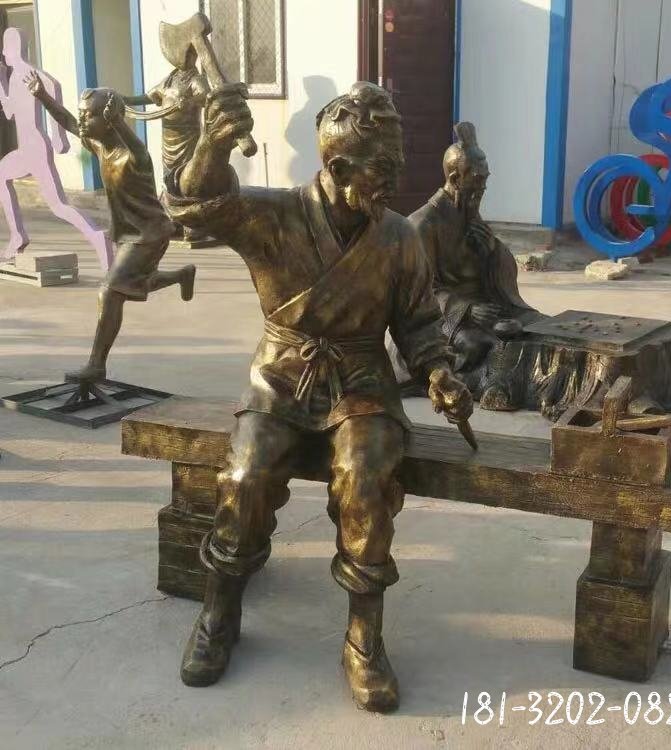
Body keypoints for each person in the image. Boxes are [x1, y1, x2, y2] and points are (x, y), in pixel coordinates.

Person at [164, 81, 473, 713]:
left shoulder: (399, 238)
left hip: (361, 381)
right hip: (281, 374)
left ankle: (364, 637)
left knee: (365, 475)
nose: (393, 182)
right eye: (381, 170)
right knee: (246, 475)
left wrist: (438, 370)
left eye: (397, 166)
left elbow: (418, 324)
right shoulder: (275, 216)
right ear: (337, 166)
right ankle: (220, 613)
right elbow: (196, 204)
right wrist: (212, 145)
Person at [26, 73, 196, 381]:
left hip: (149, 234)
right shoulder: (99, 146)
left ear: (109, 119)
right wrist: (43, 96)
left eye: (89, 115)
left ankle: (96, 365)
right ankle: (182, 275)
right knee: (134, 281)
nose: (82, 120)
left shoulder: (135, 157)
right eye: (83, 114)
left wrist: (119, 121)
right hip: (129, 233)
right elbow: (67, 121)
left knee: (110, 291)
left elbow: (136, 145)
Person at [412, 122, 544, 373]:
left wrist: (492, 250)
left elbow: (502, 271)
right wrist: (467, 309)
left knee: (539, 326)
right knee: (481, 345)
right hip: (446, 318)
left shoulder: (469, 212)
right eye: (477, 178)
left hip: (488, 307)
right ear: (455, 179)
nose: (483, 186)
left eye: (485, 178)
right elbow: (419, 292)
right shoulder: (422, 225)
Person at [0, 27, 111, 266]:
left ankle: (96, 236)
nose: (3, 53)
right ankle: (17, 236)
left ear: (14, 48)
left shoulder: (30, 74)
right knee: (1, 175)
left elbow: (51, 88)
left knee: (58, 205)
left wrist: (58, 135)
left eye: (5, 47)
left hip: (35, 149)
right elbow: (9, 113)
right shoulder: (15, 76)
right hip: (27, 149)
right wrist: (1, 82)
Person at [123, 33, 209, 243]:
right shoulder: (170, 79)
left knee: (188, 180)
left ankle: (193, 223)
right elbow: (150, 96)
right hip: (168, 137)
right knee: (170, 178)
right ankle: (175, 220)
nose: (185, 59)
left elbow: (206, 96)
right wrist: (126, 100)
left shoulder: (196, 79)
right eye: (183, 55)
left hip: (188, 137)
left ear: (194, 56)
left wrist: (189, 102)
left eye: (189, 55)